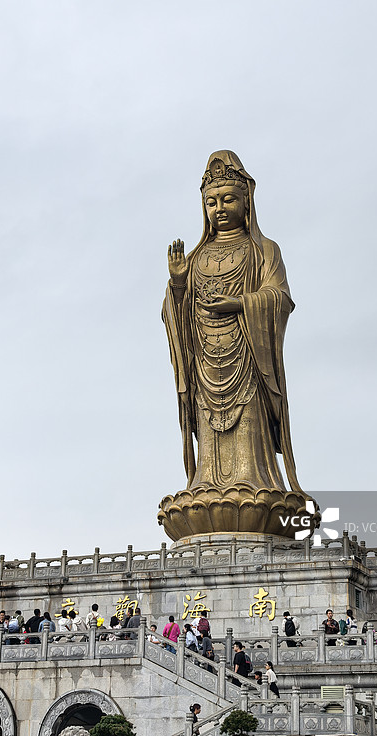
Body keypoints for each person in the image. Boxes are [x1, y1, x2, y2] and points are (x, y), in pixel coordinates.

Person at [162, 151, 306, 533]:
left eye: (228, 199)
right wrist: (178, 282)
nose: (220, 208)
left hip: (248, 361)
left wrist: (240, 303)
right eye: (211, 202)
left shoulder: (263, 250)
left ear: (246, 201)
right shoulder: (196, 258)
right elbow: (175, 315)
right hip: (206, 368)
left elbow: (279, 298)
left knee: (248, 432)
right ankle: (205, 482)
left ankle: (255, 480)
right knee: (209, 439)